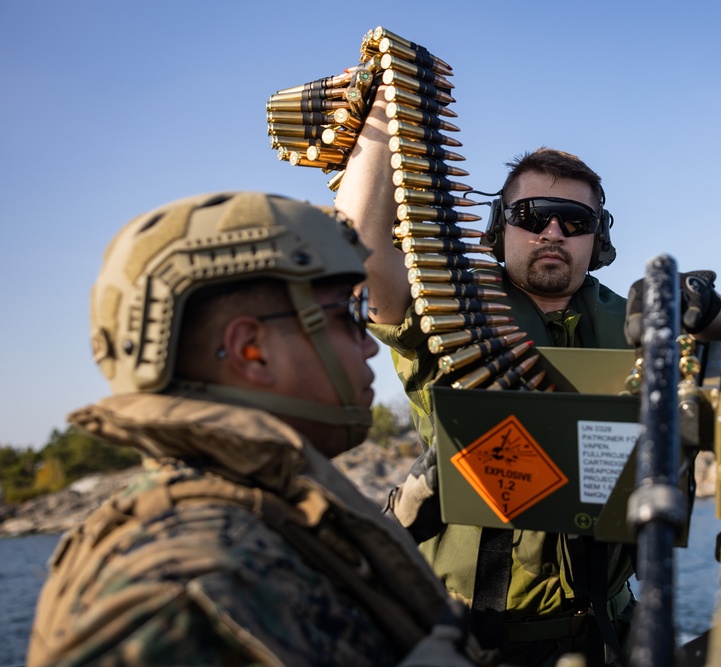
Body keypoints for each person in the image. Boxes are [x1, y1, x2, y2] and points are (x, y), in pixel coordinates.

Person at [334, 91, 721, 666]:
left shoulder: (642, 321)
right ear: (500, 226)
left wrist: (709, 309)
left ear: (597, 237)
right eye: (531, 216)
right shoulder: (452, 304)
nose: (552, 231)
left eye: (574, 220)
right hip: (465, 633)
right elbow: (362, 263)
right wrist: (384, 102)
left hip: (606, 631)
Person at [27, 191, 493, 667]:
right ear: (252, 350)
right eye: (350, 315)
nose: (370, 347)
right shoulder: (185, 592)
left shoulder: (258, 513)